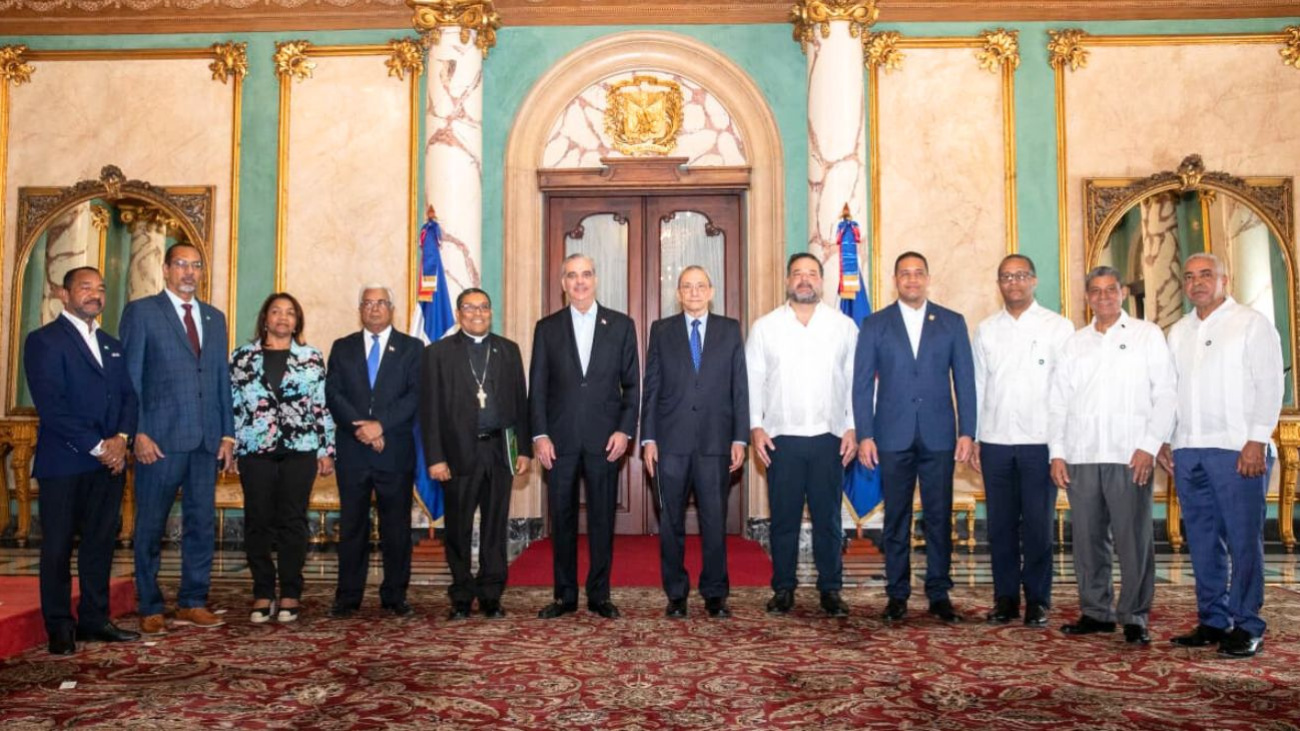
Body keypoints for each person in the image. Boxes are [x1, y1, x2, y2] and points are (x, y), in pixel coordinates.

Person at [1160, 253, 1283, 658]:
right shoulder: (1178, 331)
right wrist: (1165, 438)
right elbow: (1169, 392)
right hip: (1188, 449)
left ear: (1224, 280)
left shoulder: (1251, 324)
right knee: (1202, 540)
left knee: (1244, 540)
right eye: (1190, 276)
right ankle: (1213, 618)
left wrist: (1255, 439)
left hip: (1237, 450)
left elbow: (1269, 386)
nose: (1197, 282)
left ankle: (1248, 624)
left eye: (1206, 275)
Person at [1050, 265, 1176, 645]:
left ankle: (1135, 614)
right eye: (1095, 291)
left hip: (1129, 455)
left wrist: (1149, 445)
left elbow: (1166, 393)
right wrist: (1057, 453)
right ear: (1087, 297)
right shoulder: (1075, 343)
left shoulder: (1146, 335)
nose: (1103, 297)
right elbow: (1058, 403)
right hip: (1081, 454)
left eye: (1110, 290)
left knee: (1132, 538)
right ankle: (1096, 611)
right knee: (1087, 539)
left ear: (1122, 293)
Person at [854, 251, 977, 624]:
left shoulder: (952, 322)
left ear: (927, 278)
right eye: (905, 274)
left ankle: (939, 593)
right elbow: (861, 385)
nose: (912, 280)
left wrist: (968, 431)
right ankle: (897, 595)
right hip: (891, 435)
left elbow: (966, 382)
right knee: (896, 519)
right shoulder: (875, 324)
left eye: (918, 273)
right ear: (896, 280)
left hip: (940, 435)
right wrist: (865, 435)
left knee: (939, 518)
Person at [120, 242, 235, 635]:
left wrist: (228, 435)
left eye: (195, 266)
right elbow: (130, 378)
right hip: (159, 440)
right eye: (181, 265)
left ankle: (192, 601)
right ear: (166, 270)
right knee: (150, 525)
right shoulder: (143, 313)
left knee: (201, 524)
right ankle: (149, 604)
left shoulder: (214, 318)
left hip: (205, 440)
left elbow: (221, 380)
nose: (189, 272)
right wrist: (137, 432)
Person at [26, 267, 141, 654]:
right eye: (86, 287)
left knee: (100, 544)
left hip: (108, 464)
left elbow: (128, 397)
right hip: (66, 463)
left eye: (101, 288)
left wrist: (122, 440)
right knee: (57, 546)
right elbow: (53, 407)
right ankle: (59, 625)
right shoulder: (44, 341)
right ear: (64, 293)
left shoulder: (112, 343)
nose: (95, 294)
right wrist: (99, 446)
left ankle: (94, 619)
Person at [530, 253, 640, 620]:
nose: (580, 282)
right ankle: (564, 596)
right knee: (560, 520)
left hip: (605, 442)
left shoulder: (622, 326)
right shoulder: (546, 328)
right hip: (557, 444)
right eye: (572, 276)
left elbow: (632, 386)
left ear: (596, 280)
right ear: (563, 283)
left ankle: (599, 594)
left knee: (601, 520)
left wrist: (625, 431)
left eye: (586, 275)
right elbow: (538, 389)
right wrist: (540, 435)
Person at [748, 252, 858, 617]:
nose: (804, 280)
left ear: (822, 281)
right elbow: (753, 380)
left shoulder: (843, 326)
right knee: (784, 519)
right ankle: (783, 588)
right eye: (798, 274)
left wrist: (853, 428)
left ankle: (831, 590)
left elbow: (857, 382)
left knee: (828, 519)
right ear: (787, 281)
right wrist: (755, 426)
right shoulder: (765, 327)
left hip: (830, 437)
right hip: (782, 437)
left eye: (812, 274)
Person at [971, 255, 1075, 627]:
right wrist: (977, 437)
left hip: (1040, 442)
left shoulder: (1059, 328)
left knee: (1037, 524)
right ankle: (1004, 598)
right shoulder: (986, 330)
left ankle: (1038, 599)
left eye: (1019, 276)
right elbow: (979, 387)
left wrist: (1059, 448)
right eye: (1005, 277)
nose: (1012, 282)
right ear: (998, 283)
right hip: (996, 440)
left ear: (1034, 280)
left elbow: (1065, 392)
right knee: (999, 525)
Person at [641, 266, 748, 619]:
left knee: (714, 520)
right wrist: (649, 438)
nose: (694, 292)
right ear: (678, 293)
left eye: (701, 285)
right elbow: (652, 387)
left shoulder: (730, 329)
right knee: (670, 522)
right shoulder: (661, 330)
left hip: (716, 442)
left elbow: (739, 387)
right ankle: (676, 594)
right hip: (670, 444)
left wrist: (739, 437)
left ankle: (715, 594)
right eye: (687, 286)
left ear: (711, 290)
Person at [419, 288, 531, 620]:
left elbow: (520, 405)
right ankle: (461, 595)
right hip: (457, 454)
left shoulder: (508, 350)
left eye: (484, 307)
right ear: (458, 314)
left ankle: (492, 594)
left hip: (499, 451)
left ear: (491, 312)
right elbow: (430, 412)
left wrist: (523, 449)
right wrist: (435, 457)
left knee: (495, 526)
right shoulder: (437, 354)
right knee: (458, 527)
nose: (477, 313)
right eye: (469, 308)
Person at [230, 292, 335, 624]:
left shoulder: (311, 357)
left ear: (297, 321)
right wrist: (231, 446)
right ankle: (263, 591)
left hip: (299, 449)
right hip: (254, 450)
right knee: (257, 520)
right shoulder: (241, 358)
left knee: (293, 521)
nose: (283, 318)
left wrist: (326, 449)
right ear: (265, 319)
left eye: (290, 313)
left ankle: (290, 591)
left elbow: (322, 406)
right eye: (276, 312)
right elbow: (232, 405)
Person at [326, 285, 422, 618]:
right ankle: (347, 596)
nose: (374, 308)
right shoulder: (343, 347)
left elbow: (414, 396)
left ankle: (395, 594)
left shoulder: (412, 348)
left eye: (381, 302)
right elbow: (334, 394)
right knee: (352, 526)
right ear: (360, 309)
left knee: (396, 528)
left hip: (394, 451)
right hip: (353, 451)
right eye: (368, 303)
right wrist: (362, 430)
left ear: (391, 308)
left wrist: (380, 426)